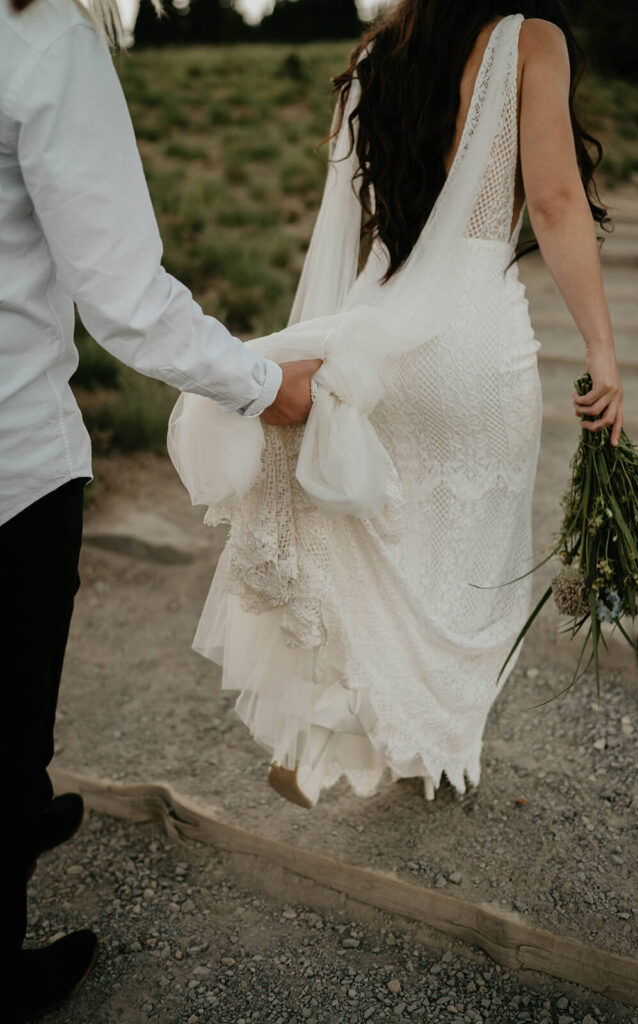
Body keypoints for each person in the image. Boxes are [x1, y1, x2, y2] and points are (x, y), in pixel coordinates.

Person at [178, 0, 624, 810]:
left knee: (387, 535)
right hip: (474, 341)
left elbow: (348, 227)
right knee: (469, 555)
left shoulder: (382, 54)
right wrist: (600, 349)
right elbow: (554, 203)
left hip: (384, 333)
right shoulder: (531, 42)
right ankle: (426, 744)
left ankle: (334, 719)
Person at [0, 0, 319, 1019]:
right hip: (9, 464)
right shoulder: (44, 38)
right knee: (6, 714)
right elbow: (127, 297)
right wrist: (266, 385)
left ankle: (18, 812)